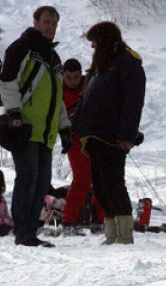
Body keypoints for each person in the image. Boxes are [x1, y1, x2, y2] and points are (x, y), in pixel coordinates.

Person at [0, 6, 70, 248]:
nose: (51, 27)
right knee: (28, 179)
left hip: (46, 134)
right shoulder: (22, 48)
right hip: (25, 128)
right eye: (47, 22)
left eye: (54, 23)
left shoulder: (53, 57)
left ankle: (30, 230)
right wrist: (14, 113)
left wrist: (65, 128)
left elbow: (56, 97)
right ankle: (23, 233)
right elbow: (6, 81)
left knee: (41, 183)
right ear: (36, 22)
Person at [74, 21, 146, 245]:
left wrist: (127, 134)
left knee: (114, 183)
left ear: (106, 40)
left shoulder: (127, 63)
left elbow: (133, 102)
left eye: (95, 43)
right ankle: (112, 233)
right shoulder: (100, 67)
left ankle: (124, 236)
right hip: (94, 135)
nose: (94, 48)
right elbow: (85, 99)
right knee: (101, 186)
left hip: (114, 136)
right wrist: (76, 123)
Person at [59, 58, 103, 236]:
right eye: (68, 77)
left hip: (93, 137)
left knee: (100, 179)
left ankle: (99, 221)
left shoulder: (90, 86)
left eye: (76, 77)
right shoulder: (58, 91)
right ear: (63, 76)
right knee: (82, 180)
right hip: (74, 140)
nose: (72, 81)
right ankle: (69, 222)